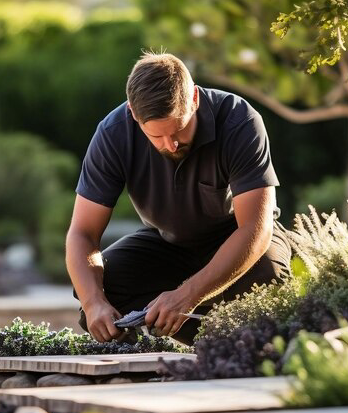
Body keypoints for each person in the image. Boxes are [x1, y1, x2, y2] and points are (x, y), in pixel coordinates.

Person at [65, 52, 291, 345]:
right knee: (95, 288)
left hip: (236, 235)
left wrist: (188, 295)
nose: (170, 145)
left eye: (179, 130)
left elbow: (256, 230)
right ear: (134, 114)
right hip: (166, 243)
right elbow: (82, 233)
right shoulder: (113, 134)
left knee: (269, 275)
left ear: (194, 99)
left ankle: (245, 344)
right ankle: (218, 343)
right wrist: (94, 302)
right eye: (156, 137)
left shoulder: (239, 120)